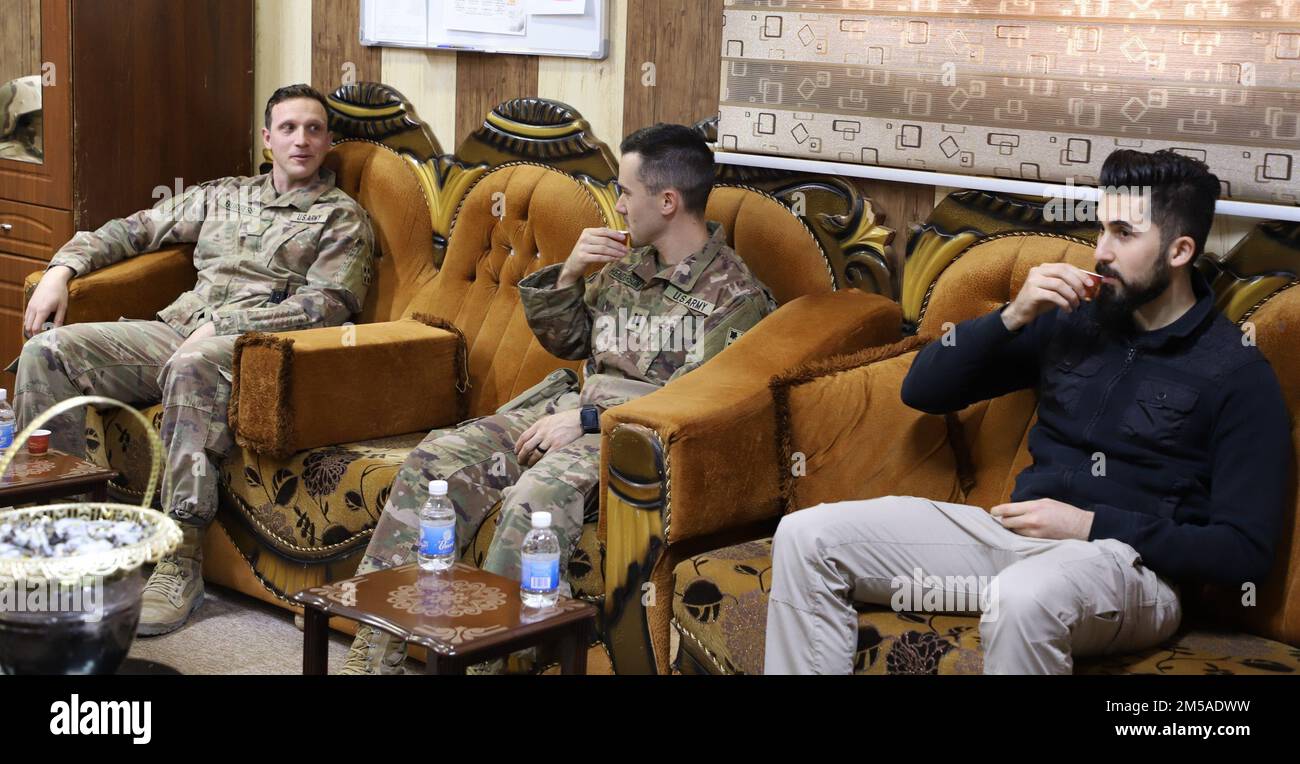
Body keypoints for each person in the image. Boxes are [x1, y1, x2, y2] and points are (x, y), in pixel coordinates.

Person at [764, 149, 1292, 674]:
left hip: (1132, 572)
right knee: (807, 538)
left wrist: (1089, 524)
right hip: (1011, 538)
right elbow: (922, 390)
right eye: (1101, 229)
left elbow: (1243, 552)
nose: (1101, 252)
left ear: (1179, 251)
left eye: (1123, 234)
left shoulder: (1236, 372)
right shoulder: (1073, 318)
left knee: (1022, 597)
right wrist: (1013, 315)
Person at [340, 123, 777, 674]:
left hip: (631, 437)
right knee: (435, 462)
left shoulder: (734, 297)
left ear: (668, 201)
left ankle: (485, 663)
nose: (616, 205)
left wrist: (591, 419)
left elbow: (698, 408)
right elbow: (569, 341)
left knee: (533, 500)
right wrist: (570, 272)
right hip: (569, 409)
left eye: (624, 191)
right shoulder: (627, 263)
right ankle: (375, 650)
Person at [11, 84, 375, 636]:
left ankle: (178, 560)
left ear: (328, 142)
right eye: (289, 128)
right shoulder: (223, 195)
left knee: (193, 364)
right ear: (267, 138)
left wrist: (224, 325)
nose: (301, 140)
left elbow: (329, 306)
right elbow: (132, 230)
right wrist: (63, 268)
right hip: (173, 329)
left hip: (257, 353)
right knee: (48, 352)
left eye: (314, 130)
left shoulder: (341, 218)